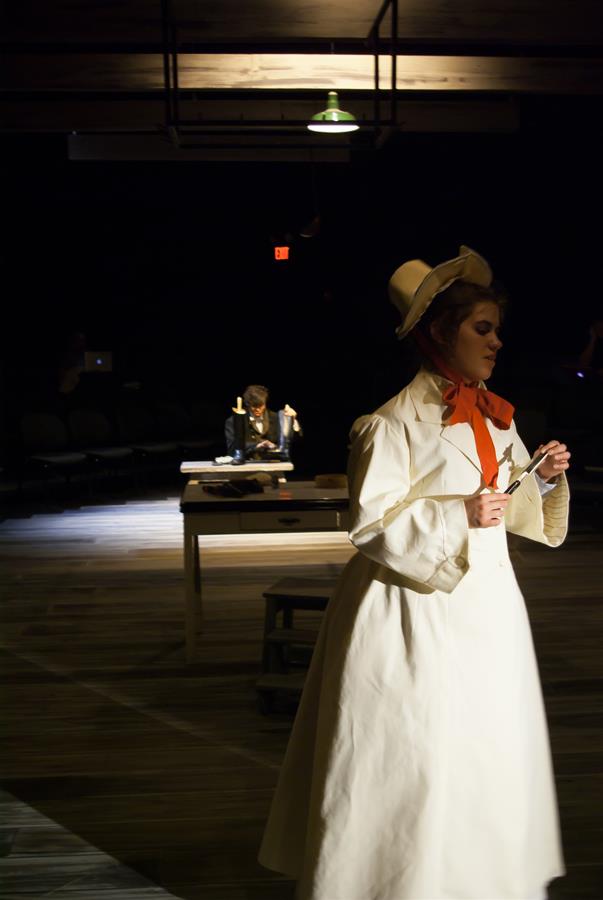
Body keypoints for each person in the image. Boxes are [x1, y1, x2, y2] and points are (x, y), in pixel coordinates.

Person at [258, 246, 571, 900]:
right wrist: (457, 514)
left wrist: (535, 478)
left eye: (494, 328)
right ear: (437, 333)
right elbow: (370, 524)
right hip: (412, 609)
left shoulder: (492, 414)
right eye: (480, 328)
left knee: (484, 743)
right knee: (415, 750)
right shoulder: (387, 423)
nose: (495, 341)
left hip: (485, 605)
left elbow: (504, 502)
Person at [224, 384, 301, 461]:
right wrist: (256, 446)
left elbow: (294, 441)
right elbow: (232, 448)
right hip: (246, 466)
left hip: (273, 466)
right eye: (254, 406)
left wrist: (293, 420)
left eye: (260, 405)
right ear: (248, 404)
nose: (258, 409)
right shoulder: (234, 421)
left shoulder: (275, 418)